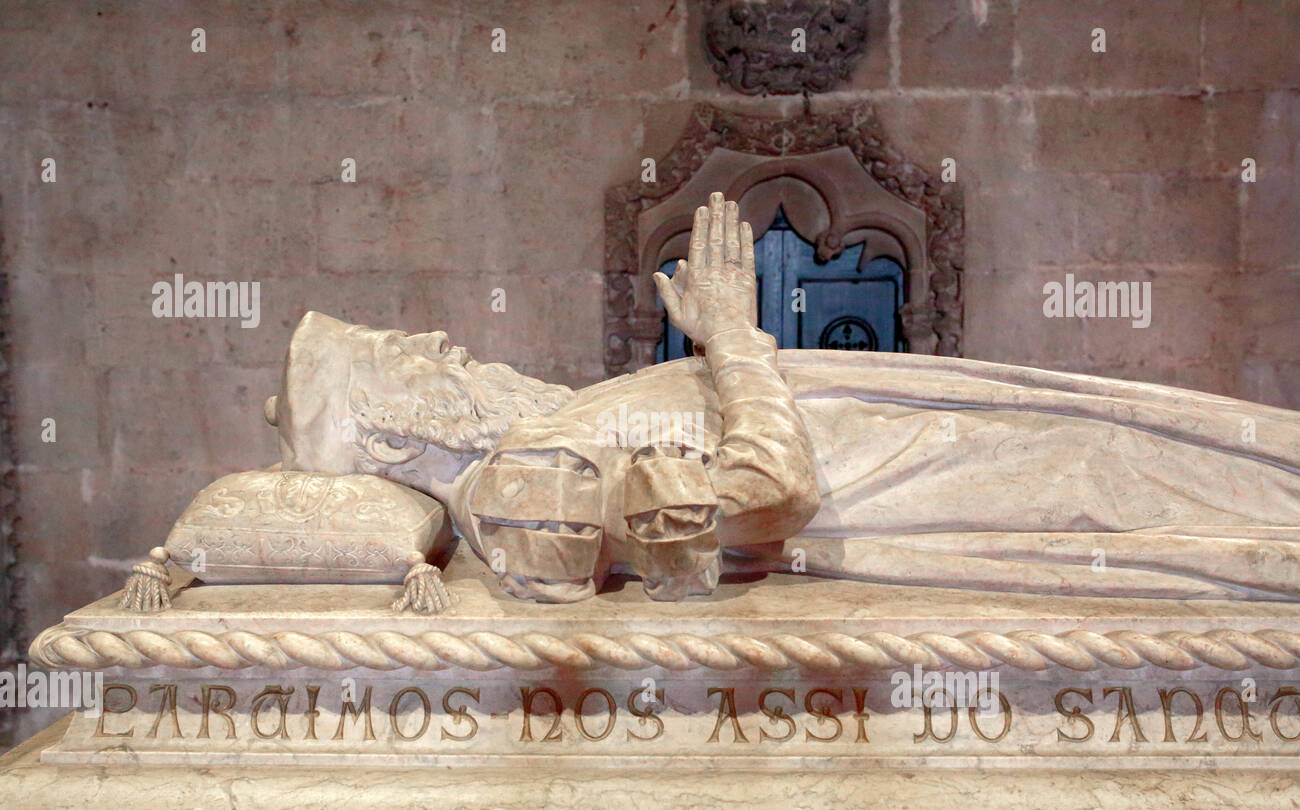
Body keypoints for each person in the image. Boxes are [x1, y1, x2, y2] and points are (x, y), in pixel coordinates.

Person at [266, 194, 1300, 603]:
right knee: (1139, 474)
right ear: (393, 441)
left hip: (898, 435)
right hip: (897, 486)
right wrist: (729, 337)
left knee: (1170, 451)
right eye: (406, 357)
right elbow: (766, 491)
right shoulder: (520, 481)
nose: (443, 344)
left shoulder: (540, 436)